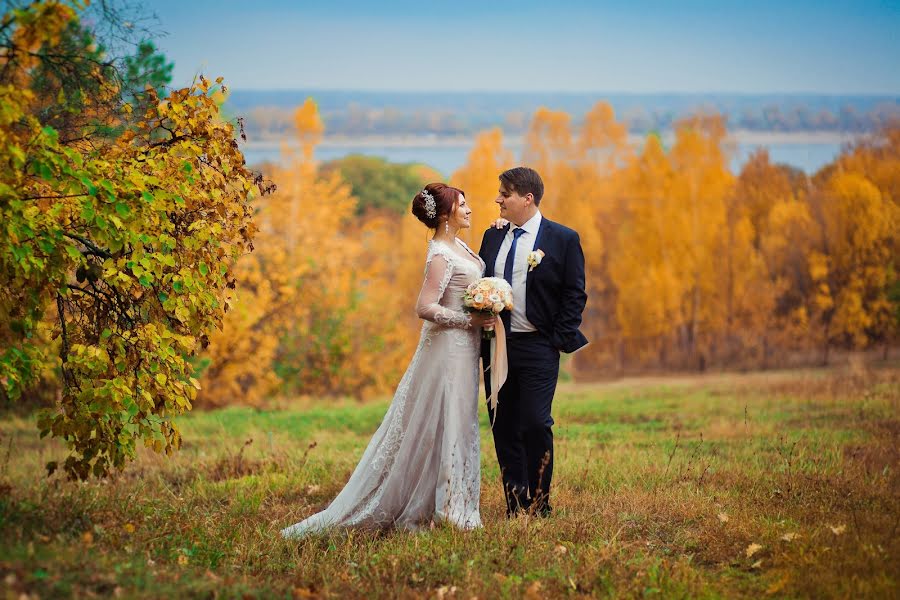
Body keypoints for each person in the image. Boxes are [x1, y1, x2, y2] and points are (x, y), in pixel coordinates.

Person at [281, 183, 493, 537]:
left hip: (465, 348)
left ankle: (448, 501)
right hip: (448, 350)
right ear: (444, 215)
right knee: (443, 419)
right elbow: (424, 307)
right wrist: (467, 320)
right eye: (463, 203)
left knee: (457, 420)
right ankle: (443, 509)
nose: (469, 209)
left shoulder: (460, 245)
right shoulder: (440, 253)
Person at [478, 166, 588, 517]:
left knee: (536, 422)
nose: (498, 199)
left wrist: (556, 338)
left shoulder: (563, 239)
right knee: (503, 424)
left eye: (505, 194)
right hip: (497, 347)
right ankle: (515, 502)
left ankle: (540, 503)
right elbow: (481, 283)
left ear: (528, 198)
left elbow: (575, 293)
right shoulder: (493, 236)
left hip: (538, 346)